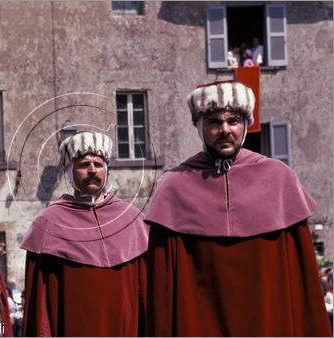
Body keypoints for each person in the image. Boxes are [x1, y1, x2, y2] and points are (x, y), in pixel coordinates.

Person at [144, 80, 332, 336]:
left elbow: (302, 283)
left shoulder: (279, 179)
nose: (224, 130)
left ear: (246, 125)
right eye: (214, 122)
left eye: (233, 120)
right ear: (200, 127)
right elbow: (163, 291)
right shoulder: (174, 186)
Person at [21, 131, 149, 336]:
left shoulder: (132, 219)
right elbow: (40, 306)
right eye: (83, 164)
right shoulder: (48, 223)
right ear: (70, 171)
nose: (92, 170)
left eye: (98, 164)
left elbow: (147, 296)